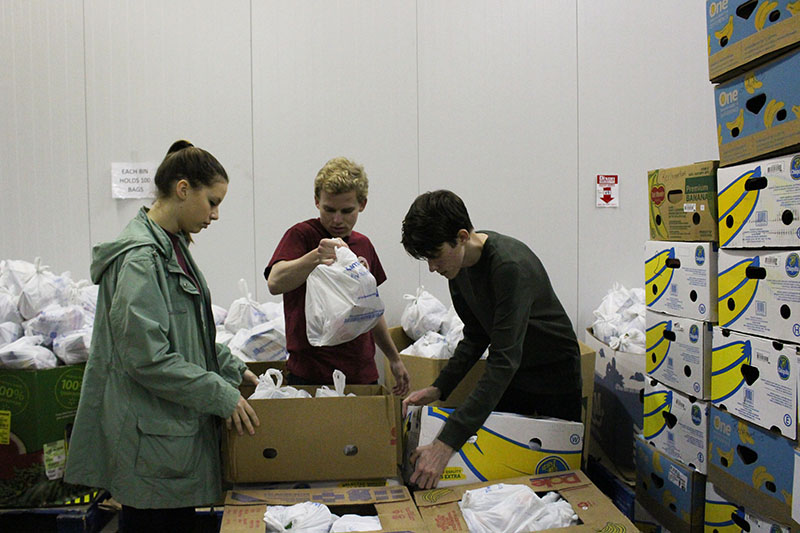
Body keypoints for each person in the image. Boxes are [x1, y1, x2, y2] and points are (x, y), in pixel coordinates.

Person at [65, 140, 260, 532]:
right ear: (183, 189)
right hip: (151, 442)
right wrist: (219, 393)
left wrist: (232, 367)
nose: (216, 214)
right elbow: (147, 357)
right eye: (213, 201)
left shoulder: (171, 246)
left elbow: (185, 330)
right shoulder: (141, 258)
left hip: (168, 435)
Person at [400, 189, 581, 489]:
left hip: (554, 374)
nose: (432, 267)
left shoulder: (509, 266)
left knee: (556, 479)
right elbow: (475, 335)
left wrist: (445, 444)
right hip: (517, 374)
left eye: (434, 256)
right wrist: (439, 387)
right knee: (503, 472)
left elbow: (503, 359)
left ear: (460, 236)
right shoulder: (457, 269)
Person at [265, 157, 409, 395]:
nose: (337, 220)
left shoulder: (363, 246)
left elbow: (370, 309)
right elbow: (275, 282)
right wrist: (314, 257)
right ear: (316, 202)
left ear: (362, 204)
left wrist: (394, 358)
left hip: (361, 373)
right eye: (329, 210)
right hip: (310, 374)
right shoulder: (301, 236)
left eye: (347, 210)